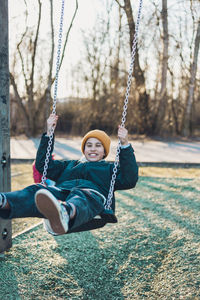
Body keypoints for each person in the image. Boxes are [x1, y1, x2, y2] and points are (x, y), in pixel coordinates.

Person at [0, 114, 138, 235]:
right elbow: (42, 165)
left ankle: (65, 212)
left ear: (104, 151)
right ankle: (4, 201)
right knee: (37, 190)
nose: (93, 149)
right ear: (84, 149)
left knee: (82, 197)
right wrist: (49, 133)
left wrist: (125, 145)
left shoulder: (109, 169)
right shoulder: (70, 165)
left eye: (98, 145)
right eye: (89, 145)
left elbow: (130, 179)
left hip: (91, 198)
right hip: (62, 192)